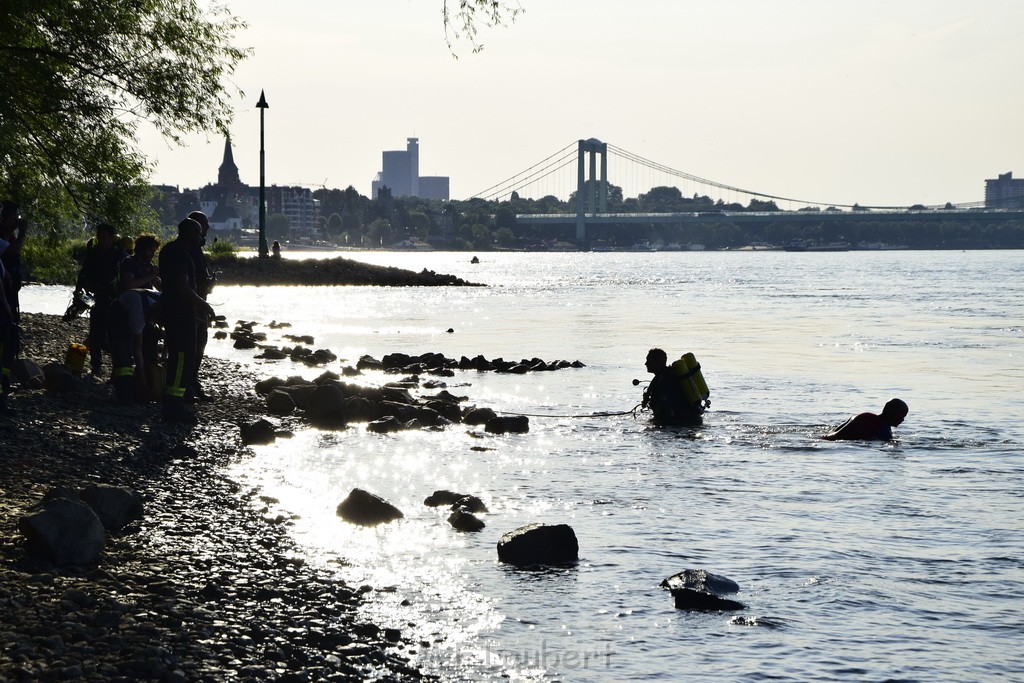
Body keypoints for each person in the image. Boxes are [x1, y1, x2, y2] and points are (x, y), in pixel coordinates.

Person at [159, 218, 215, 422]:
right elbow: (182, 286)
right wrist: (203, 304)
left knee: (179, 356)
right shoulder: (180, 254)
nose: (201, 237)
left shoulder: (169, 250)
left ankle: (174, 401)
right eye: (199, 233)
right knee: (183, 357)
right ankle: (173, 405)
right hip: (181, 312)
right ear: (191, 233)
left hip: (174, 310)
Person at [74, 222, 126, 376]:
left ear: (112, 238)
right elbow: (84, 271)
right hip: (97, 297)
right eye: (99, 238)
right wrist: (78, 290)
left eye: (104, 238)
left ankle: (119, 366)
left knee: (111, 335)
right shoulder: (94, 252)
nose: (101, 241)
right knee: (95, 332)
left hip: (114, 299)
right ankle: (96, 366)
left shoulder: (120, 255)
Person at [107, 288, 161, 404]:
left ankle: (144, 385)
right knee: (123, 360)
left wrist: (164, 357)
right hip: (118, 317)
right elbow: (137, 349)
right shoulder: (139, 314)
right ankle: (123, 392)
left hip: (140, 310)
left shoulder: (165, 300)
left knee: (151, 354)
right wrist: (142, 377)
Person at [186, 211, 215, 401]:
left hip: (199, 302)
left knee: (200, 343)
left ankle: (192, 382)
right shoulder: (189, 250)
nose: (207, 228)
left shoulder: (196, 249)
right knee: (193, 345)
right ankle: (187, 386)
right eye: (204, 225)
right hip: (193, 305)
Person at [642, 347, 703, 427]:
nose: (646, 363)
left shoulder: (667, 380)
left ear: (659, 362)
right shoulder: (661, 377)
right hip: (690, 419)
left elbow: (666, 409)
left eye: (649, 361)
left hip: (683, 422)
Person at [823, 398, 909, 441]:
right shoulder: (884, 431)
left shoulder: (865, 415)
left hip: (826, 438)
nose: (903, 420)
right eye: (902, 416)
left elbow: (837, 430)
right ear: (893, 414)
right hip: (831, 442)